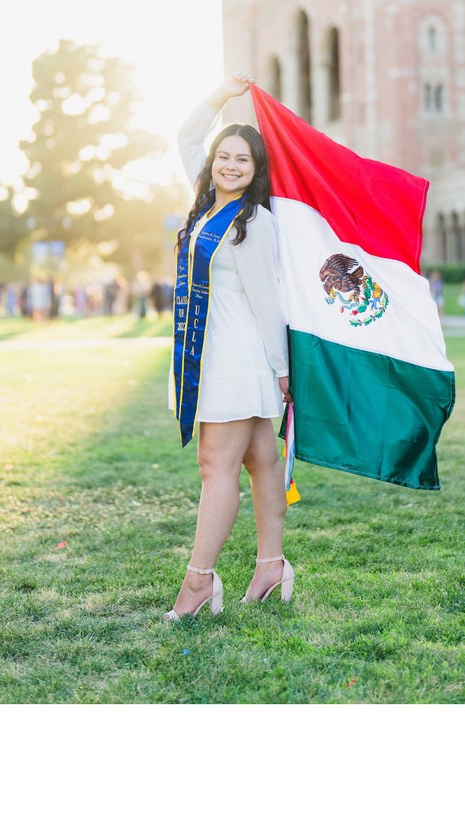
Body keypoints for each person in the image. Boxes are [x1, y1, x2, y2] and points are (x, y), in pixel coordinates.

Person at [163, 72, 294, 621]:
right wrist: (219, 97)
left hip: (238, 359)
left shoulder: (253, 221)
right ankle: (271, 567)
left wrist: (283, 372)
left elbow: (269, 304)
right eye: (225, 157)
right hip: (209, 352)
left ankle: (198, 584)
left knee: (216, 466)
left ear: (257, 170)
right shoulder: (206, 205)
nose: (231, 166)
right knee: (262, 459)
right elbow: (186, 137)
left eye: (244, 160)